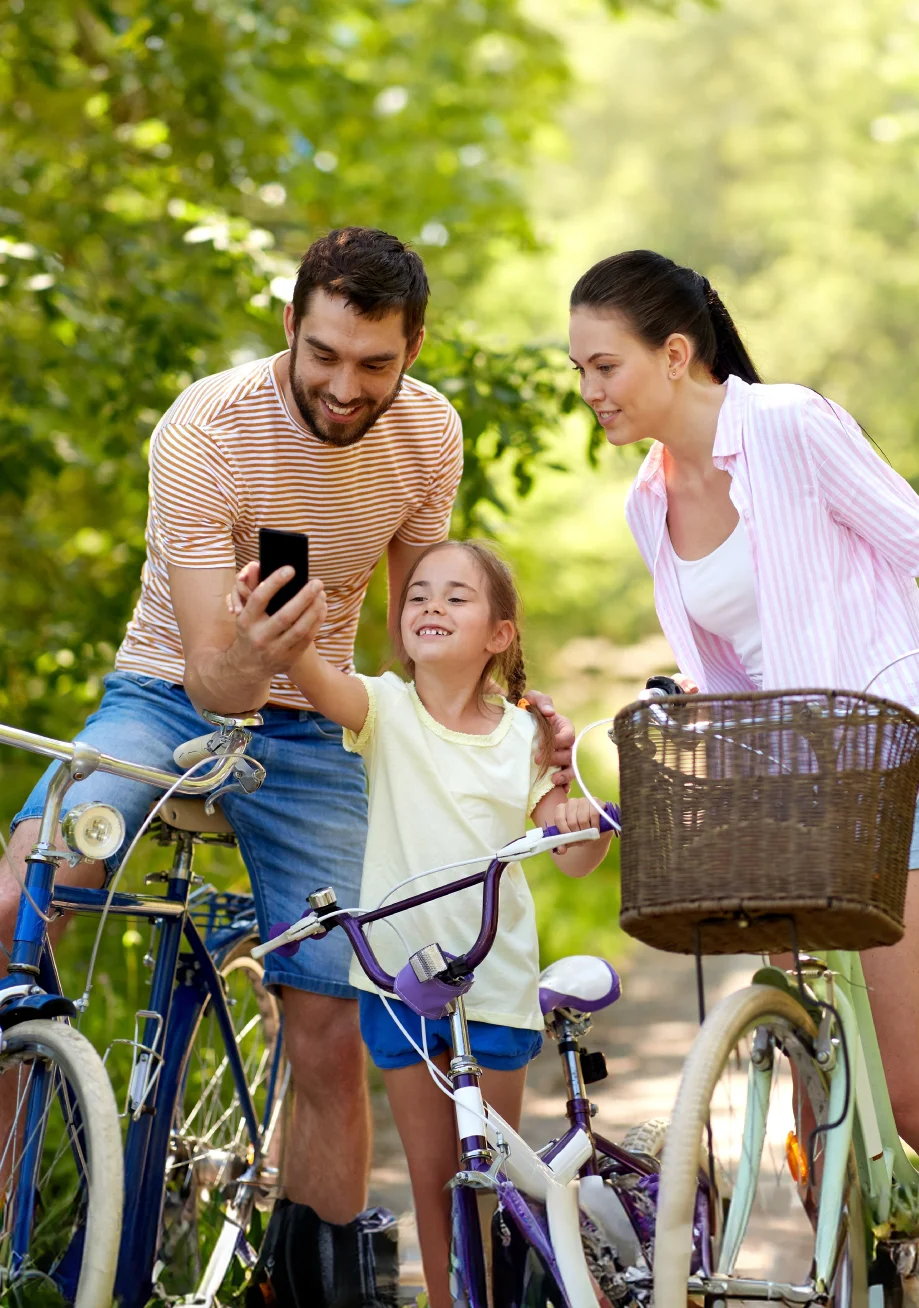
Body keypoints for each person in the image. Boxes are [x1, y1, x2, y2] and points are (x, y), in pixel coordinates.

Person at [2, 227, 572, 1250]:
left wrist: (503, 730)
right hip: (167, 696)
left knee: (328, 1023)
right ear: (288, 328)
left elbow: (418, 645)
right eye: (324, 356)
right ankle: (5, 1199)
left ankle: (311, 1269)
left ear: (415, 346)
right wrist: (259, 649)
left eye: (375, 363)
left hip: (316, 727)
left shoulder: (428, 435)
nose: (346, 388)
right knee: (18, 898)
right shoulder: (210, 427)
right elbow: (214, 671)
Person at [568, 249, 919, 1263]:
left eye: (603, 367)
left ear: (675, 356)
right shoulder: (644, 503)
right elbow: (718, 681)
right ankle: (845, 1275)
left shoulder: (790, 427)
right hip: (786, 808)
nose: (589, 392)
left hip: (898, 773)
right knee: (809, 1089)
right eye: (577, 370)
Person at [231, 538, 612, 1308]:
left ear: (499, 636)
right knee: (432, 1182)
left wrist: (584, 818)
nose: (430, 605)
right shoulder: (384, 709)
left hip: (494, 986)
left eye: (456, 596)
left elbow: (571, 859)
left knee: (488, 1184)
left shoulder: (523, 739)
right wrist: (278, 622)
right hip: (398, 986)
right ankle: (443, 1299)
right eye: (417, 595)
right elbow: (310, 677)